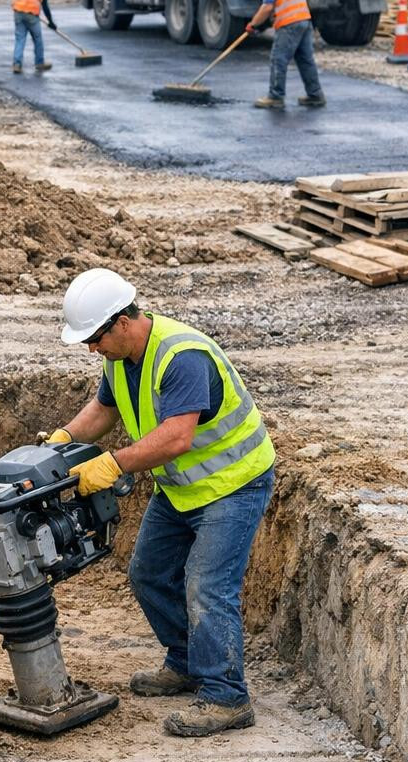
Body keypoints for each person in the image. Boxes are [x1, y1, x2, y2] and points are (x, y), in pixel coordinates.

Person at [38, 268, 276, 738]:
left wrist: (113, 465)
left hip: (233, 484)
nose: (91, 348)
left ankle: (227, 696)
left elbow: (176, 438)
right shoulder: (121, 357)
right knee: (147, 573)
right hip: (182, 488)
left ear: (122, 322)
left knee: (207, 586)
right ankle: (188, 660)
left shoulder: (181, 356)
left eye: (94, 338)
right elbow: (104, 409)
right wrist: (63, 440)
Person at [245, 0, 325, 110]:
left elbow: (267, 7)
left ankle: (275, 97)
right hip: (304, 20)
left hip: (290, 24)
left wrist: (252, 25)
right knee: (305, 59)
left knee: (278, 58)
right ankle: (315, 95)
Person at [9, 0, 58, 75]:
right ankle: (39, 63)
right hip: (32, 17)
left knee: (20, 39)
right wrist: (51, 22)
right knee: (37, 39)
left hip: (19, 13)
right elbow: (45, 7)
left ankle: (17, 64)